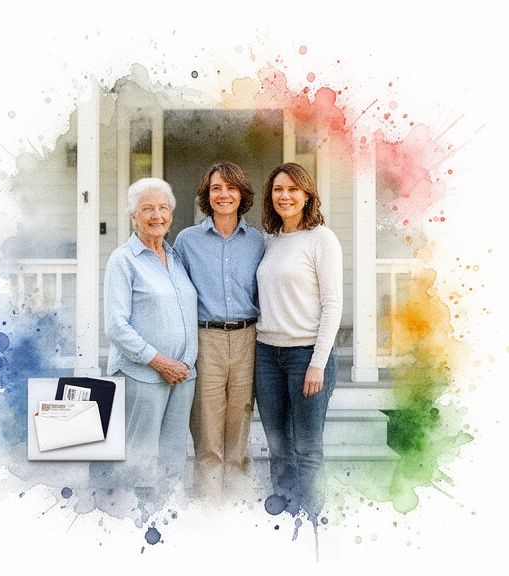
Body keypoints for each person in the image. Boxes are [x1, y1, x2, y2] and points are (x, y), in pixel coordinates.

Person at [255, 162, 342, 518]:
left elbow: (332, 304)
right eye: (278, 190)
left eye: (293, 189)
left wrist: (317, 363)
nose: (285, 196)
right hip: (266, 355)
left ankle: (309, 519)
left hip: (306, 355)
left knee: (307, 448)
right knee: (278, 446)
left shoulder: (322, 239)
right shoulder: (270, 241)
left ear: (307, 195)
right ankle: (286, 511)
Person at [174, 161, 265, 501]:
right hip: (206, 339)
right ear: (206, 195)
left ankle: (238, 513)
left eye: (230, 188)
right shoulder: (187, 241)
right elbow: (178, 296)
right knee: (207, 435)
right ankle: (208, 515)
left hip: (247, 340)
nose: (223, 194)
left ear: (242, 195)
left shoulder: (258, 242)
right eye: (216, 188)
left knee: (239, 433)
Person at [103, 177, 198, 485]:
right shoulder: (123, 260)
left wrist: (183, 364)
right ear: (133, 216)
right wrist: (160, 362)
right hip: (142, 374)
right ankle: (131, 526)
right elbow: (116, 326)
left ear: (171, 213)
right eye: (147, 209)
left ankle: (167, 527)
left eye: (162, 208)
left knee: (173, 460)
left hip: (182, 376)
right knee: (138, 460)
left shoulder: (175, 257)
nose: (157, 215)